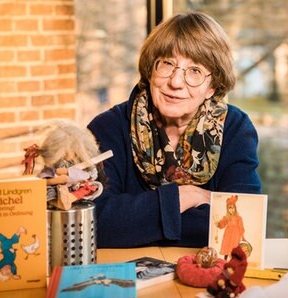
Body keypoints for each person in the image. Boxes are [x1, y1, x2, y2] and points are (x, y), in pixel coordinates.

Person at [87, 12, 262, 248]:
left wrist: (136, 221)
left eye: (195, 71)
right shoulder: (107, 128)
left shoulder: (235, 128)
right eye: (167, 64)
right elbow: (95, 223)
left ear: (213, 87)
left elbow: (245, 223)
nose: (176, 82)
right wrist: (185, 197)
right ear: (151, 70)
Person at [215, 195, 245, 260]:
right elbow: (222, 224)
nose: (231, 210)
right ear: (227, 209)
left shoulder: (239, 218)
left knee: (233, 247)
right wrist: (218, 224)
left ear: (235, 208)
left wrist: (243, 237)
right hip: (228, 234)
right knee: (226, 246)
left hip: (235, 235)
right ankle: (225, 260)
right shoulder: (227, 218)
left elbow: (241, 227)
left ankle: (233, 261)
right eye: (229, 208)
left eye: (232, 208)